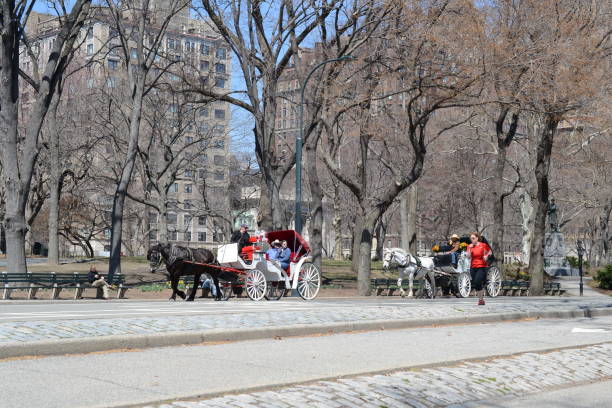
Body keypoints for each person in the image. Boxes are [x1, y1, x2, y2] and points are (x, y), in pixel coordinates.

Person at [466, 232, 492, 306]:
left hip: (481, 266)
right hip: (473, 267)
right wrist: (469, 251)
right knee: (476, 284)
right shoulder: (469, 246)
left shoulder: (483, 245)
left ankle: (481, 295)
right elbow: (468, 257)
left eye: (473, 238)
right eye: (471, 238)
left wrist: (486, 255)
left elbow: (489, 252)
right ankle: (481, 300)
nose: (472, 240)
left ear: (477, 238)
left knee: (478, 281)